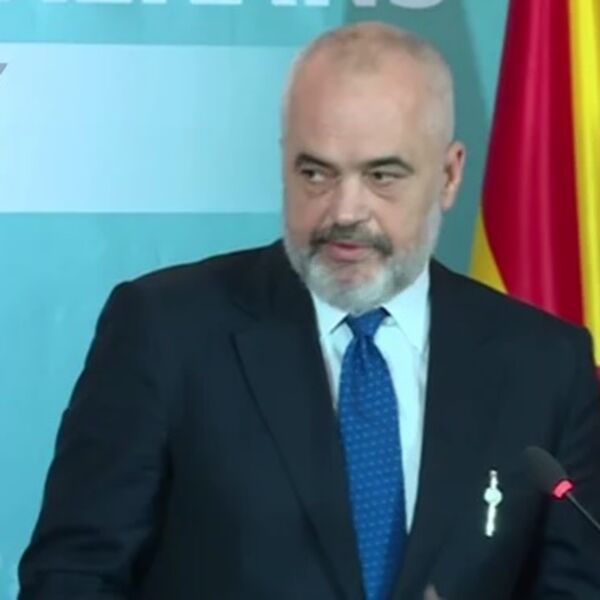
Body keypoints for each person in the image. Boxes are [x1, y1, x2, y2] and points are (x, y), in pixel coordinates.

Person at [18, 21, 600, 600]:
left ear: (449, 175)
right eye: (316, 173)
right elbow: (70, 579)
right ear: (284, 163)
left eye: (382, 176)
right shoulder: (165, 331)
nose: (345, 211)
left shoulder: (545, 364)